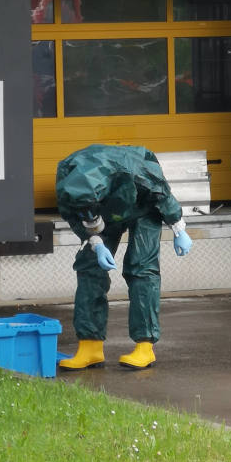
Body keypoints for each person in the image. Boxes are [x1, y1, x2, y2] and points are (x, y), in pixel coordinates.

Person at [54, 144, 194, 370]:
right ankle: (90, 346)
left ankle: (144, 346)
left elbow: (160, 192)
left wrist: (178, 228)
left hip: (142, 208)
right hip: (106, 210)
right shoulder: (66, 178)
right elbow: (74, 217)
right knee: (89, 268)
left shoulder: (134, 169)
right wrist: (96, 241)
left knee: (141, 268)